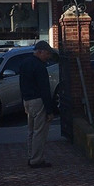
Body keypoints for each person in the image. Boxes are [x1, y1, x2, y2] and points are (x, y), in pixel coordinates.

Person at [20, 40, 56, 168]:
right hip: (38, 100)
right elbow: (44, 88)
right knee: (39, 132)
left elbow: (21, 84)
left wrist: (23, 101)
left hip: (28, 100)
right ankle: (36, 159)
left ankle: (31, 155)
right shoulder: (40, 67)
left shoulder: (24, 63)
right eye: (47, 53)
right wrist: (50, 110)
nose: (48, 57)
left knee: (31, 131)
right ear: (40, 52)